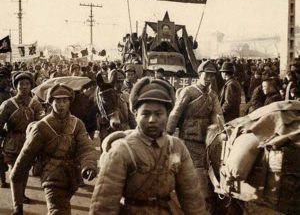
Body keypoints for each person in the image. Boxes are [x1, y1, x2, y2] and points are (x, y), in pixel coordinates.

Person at [90, 77, 209, 214]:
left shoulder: (176, 147)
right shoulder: (122, 151)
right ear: (135, 115)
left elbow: (192, 196)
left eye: (159, 114)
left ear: (167, 115)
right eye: (145, 114)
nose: (152, 120)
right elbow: (104, 204)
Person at [10, 84, 98, 215]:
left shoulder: (77, 124)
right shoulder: (42, 127)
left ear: (70, 102)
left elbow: (86, 147)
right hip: (51, 175)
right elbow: (26, 156)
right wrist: (18, 205)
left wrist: (89, 165)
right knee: (59, 210)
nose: (61, 104)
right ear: (50, 102)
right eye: (57, 101)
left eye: (65, 100)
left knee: (60, 208)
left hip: (72, 176)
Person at [166, 60, 224, 213]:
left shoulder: (212, 95)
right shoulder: (189, 92)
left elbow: (218, 116)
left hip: (207, 141)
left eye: (212, 75)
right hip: (189, 138)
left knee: (209, 170)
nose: (209, 78)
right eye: (207, 74)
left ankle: (207, 201)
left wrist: (222, 132)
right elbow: (176, 113)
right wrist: (168, 133)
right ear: (200, 74)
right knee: (194, 171)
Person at [0, 72, 45, 203]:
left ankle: (21, 195)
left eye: (27, 84)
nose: (24, 87)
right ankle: (17, 204)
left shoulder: (35, 104)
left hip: (29, 143)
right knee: (15, 173)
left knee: (24, 171)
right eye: (21, 84)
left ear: (31, 86)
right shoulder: (8, 104)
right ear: (16, 87)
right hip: (12, 142)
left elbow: (41, 122)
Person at [0, 66, 12, 188]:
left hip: (6, 127)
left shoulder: (8, 94)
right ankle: (3, 180)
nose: (3, 81)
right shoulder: (7, 94)